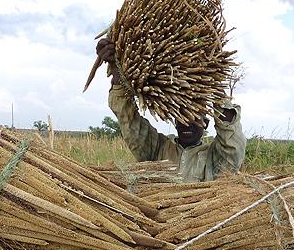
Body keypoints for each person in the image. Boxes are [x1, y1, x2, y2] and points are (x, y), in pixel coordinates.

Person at [96, 38, 247, 182]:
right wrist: (116, 67)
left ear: (205, 123)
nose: (187, 122)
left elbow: (232, 143)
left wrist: (213, 78)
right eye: (181, 115)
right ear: (174, 121)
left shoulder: (214, 157)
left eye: (194, 116)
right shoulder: (157, 149)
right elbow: (128, 119)